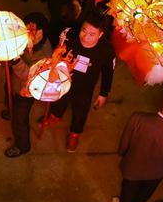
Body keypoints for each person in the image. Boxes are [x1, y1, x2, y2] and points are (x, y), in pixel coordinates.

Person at [42, 12, 115, 152]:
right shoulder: (69, 35)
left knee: (80, 111)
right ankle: (55, 116)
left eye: (92, 34)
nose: (85, 37)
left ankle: (74, 134)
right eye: (83, 30)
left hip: (85, 87)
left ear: (100, 35)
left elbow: (108, 73)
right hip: (63, 79)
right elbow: (56, 52)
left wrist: (103, 93)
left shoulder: (107, 50)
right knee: (58, 100)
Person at [4, 13, 53, 158]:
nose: (31, 34)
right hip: (13, 80)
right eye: (27, 29)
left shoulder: (45, 53)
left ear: (42, 32)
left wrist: (16, 60)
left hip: (27, 90)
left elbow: (29, 76)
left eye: (36, 31)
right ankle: (9, 110)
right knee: (7, 93)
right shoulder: (19, 38)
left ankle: (22, 146)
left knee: (20, 120)